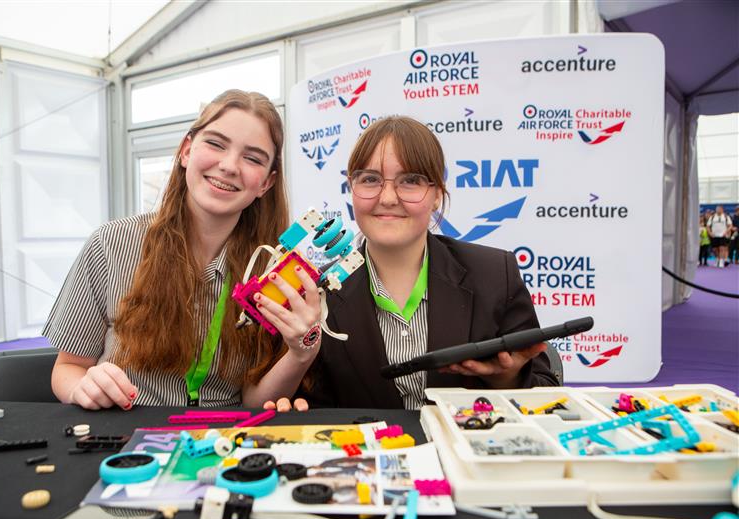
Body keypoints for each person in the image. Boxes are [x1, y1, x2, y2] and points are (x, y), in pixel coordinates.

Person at [44, 90, 321, 410]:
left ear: (266, 183)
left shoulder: (274, 272)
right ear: (186, 151)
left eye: (252, 158)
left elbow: (254, 403)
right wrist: (83, 387)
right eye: (216, 144)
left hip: (224, 443)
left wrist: (301, 353)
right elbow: (68, 368)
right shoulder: (110, 244)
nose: (229, 166)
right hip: (125, 436)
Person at [264, 116, 559, 411]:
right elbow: (312, 403)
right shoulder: (317, 295)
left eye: (411, 181)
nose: (388, 197)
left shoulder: (494, 273)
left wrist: (506, 377)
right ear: (351, 190)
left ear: (436, 196)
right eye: (370, 179)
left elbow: (549, 396)